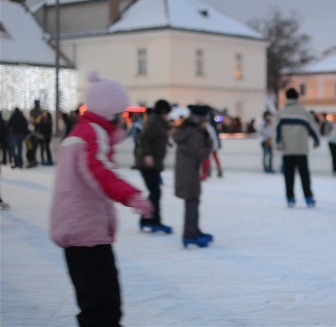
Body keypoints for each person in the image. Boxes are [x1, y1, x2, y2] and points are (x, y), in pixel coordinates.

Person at [49, 71, 153, 327]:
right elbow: (100, 172)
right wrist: (131, 195)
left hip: (80, 231)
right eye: (123, 113)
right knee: (102, 309)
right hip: (86, 234)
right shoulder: (91, 133)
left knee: (97, 307)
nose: (125, 119)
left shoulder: (82, 132)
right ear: (111, 112)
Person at [172, 105, 213, 248]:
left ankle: (193, 230)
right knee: (192, 203)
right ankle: (189, 235)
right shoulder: (195, 134)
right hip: (188, 172)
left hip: (186, 171)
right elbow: (201, 153)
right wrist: (210, 142)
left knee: (192, 202)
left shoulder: (187, 130)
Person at [274, 88, 320, 208]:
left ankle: (290, 198)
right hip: (301, 149)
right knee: (304, 175)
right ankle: (308, 197)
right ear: (297, 97)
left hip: (287, 149)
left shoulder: (281, 113)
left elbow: (275, 131)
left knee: (289, 175)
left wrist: (278, 144)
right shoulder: (304, 113)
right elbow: (313, 129)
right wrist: (317, 141)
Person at [134, 99, 173, 234]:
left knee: (155, 192)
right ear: (164, 111)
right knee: (155, 192)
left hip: (154, 163)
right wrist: (147, 154)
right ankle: (153, 221)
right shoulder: (154, 122)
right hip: (148, 163)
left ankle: (146, 219)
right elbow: (143, 138)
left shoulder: (159, 122)